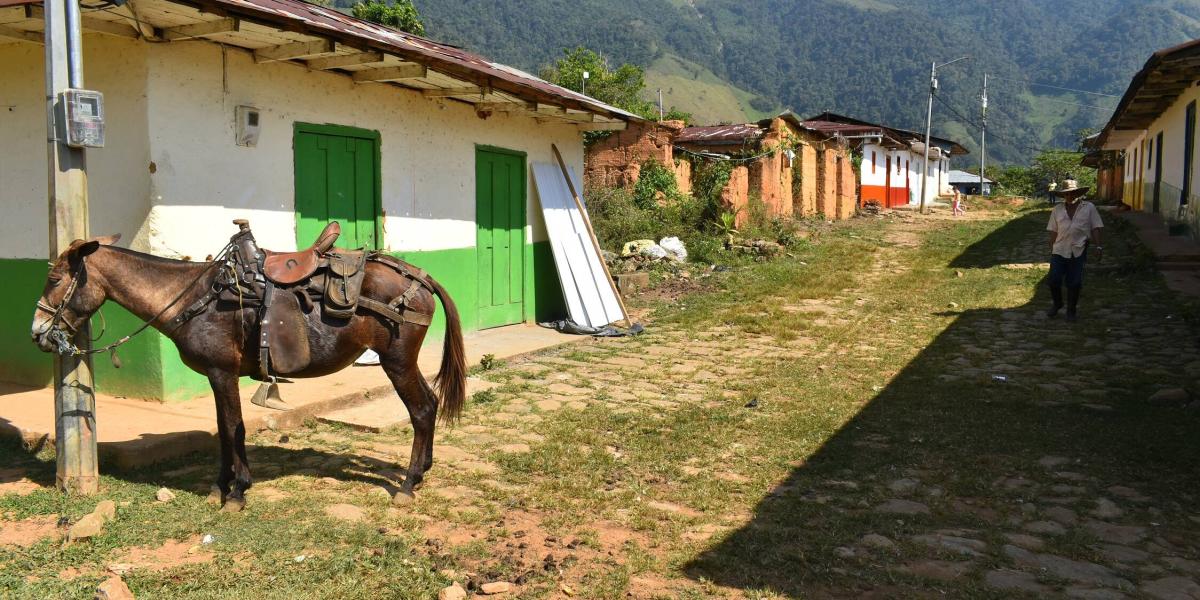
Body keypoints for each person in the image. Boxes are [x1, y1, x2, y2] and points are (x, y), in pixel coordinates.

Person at [1045, 179, 1102, 321]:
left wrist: (1098, 246)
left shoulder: (1088, 207)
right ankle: (1057, 303)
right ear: (1063, 195)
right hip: (1059, 250)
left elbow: (1095, 227)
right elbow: (1053, 230)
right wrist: (1051, 246)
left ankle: (1071, 311)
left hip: (1078, 250)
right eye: (1067, 194)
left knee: (1075, 282)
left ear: (1078, 193)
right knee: (1054, 279)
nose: (1070, 196)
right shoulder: (1057, 210)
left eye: (1073, 193)